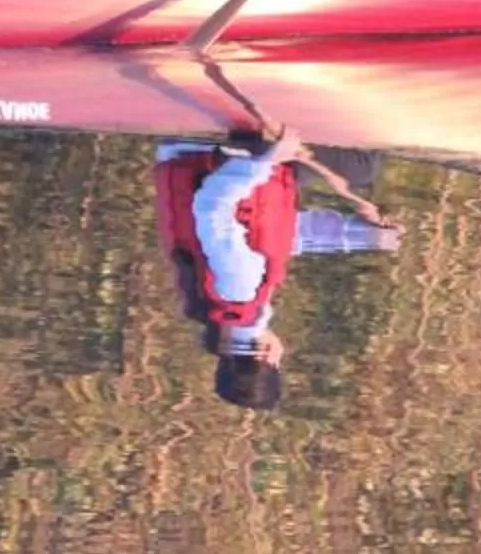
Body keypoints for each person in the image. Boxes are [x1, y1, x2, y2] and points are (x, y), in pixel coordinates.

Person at [155, 130, 400, 410]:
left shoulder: (238, 292)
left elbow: (212, 208)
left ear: (268, 358)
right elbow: (280, 234)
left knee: (362, 166)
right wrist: (365, 236)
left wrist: (268, 158)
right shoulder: (220, 305)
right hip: (215, 158)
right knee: (355, 172)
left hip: (222, 151)